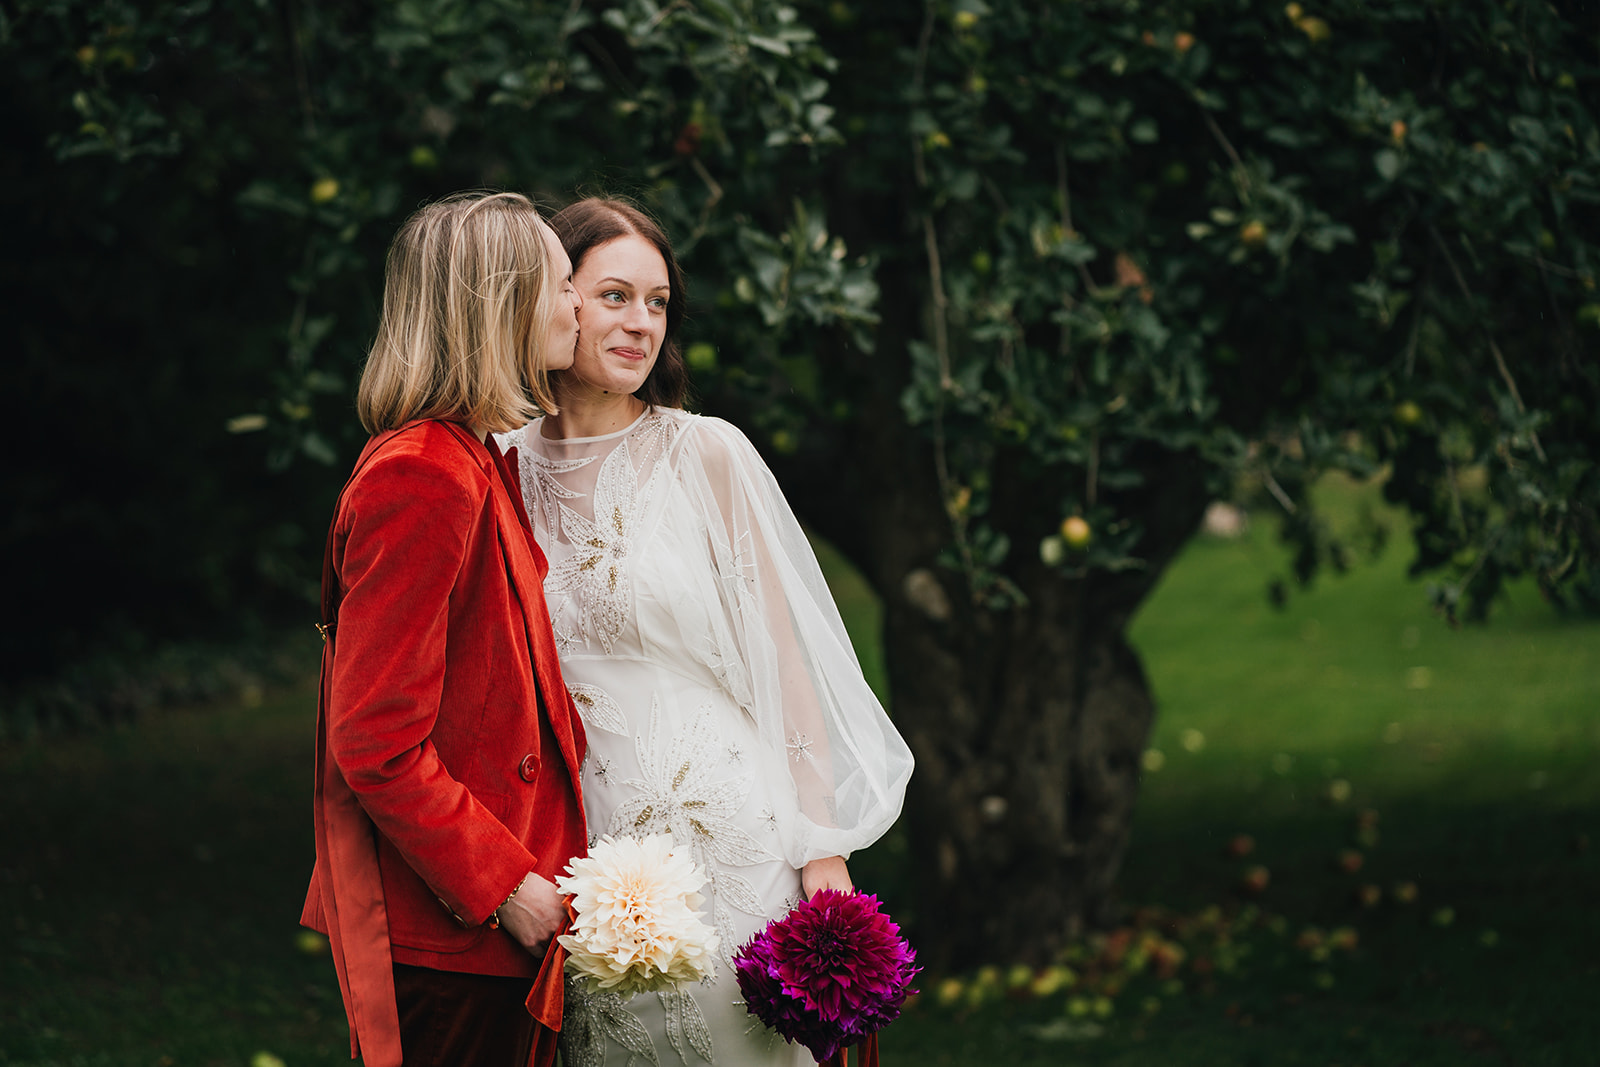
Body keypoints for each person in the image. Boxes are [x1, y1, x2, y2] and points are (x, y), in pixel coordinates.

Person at [496, 198, 914, 1067]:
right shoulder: (495, 463)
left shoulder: (707, 453)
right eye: (615, 295)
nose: (640, 323)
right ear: (553, 296)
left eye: (657, 303)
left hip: (731, 838)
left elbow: (787, 665)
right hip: (581, 849)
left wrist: (822, 852)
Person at [301, 191, 589, 1067]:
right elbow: (376, 740)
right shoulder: (424, 473)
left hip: (485, 935)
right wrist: (506, 887)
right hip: (451, 937)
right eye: (563, 284)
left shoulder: (473, 459)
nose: (579, 304)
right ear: (499, 303)